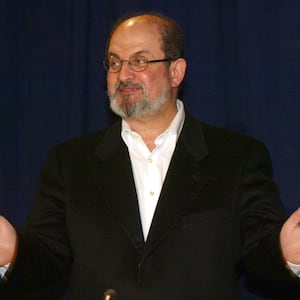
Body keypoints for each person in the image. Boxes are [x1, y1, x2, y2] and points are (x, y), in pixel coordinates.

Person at [0, 12, 300, 300]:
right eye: (114, 63)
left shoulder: (237, 157)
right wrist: (12, 253)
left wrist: (287, 254)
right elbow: (46, 262)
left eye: (139, 61)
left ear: (176, 72)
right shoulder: (69, 162)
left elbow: (261, 254)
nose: (123, 74)